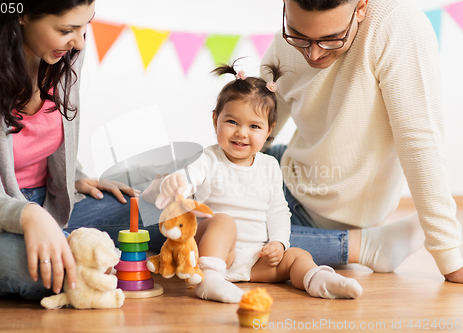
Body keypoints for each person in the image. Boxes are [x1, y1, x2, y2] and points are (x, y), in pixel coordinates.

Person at [261, 0, 463, 282]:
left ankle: (364, 246)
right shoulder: (288, 40)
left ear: (361, 7)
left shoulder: (396, 24)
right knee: (185, 194)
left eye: (331, 39)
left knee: (216, 238)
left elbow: (419, 140)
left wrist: (449, 253)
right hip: (289, 170)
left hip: (315, 211)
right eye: (300, 36)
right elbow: (259, 119)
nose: (313, 53)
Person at [0, 0, 141, 300]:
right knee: (40, 271)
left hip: (48, 202)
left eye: (86, 26)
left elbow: (48, 137)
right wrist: (28, 215)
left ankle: (83, 253)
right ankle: (83, 255)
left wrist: (71, 177)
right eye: (67, 29)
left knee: (159, 210)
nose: (80, 43)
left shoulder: (66, 54)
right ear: (22, 13)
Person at [156, 62, 363, 303]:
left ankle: (318, 279)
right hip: (216, 252)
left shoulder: (269, 166)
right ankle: (209, 280)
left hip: (255, 259)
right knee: (223, 221)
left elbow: (277, 210)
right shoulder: (209, 158)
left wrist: (279, 243)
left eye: (254, 126)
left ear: (268, 130)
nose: (242, 133)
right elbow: (188, 177)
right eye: (232, 122)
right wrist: (176, 182)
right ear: (215, 120)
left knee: (297, 255)